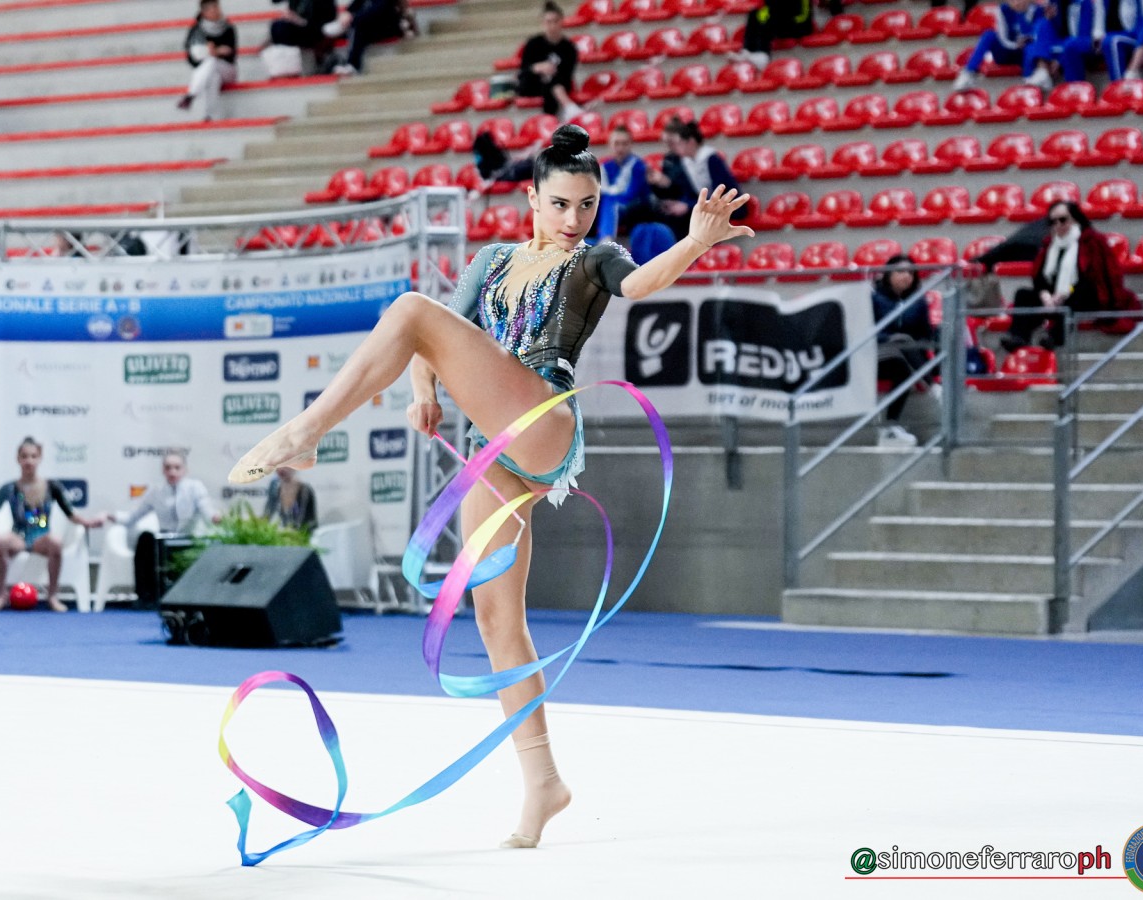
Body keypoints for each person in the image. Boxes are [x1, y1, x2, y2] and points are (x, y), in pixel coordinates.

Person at [227, 124, 754, 850]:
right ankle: (543, 782)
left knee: (410, 309)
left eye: (587, 205)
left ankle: (308, 430)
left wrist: (694, 242)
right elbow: (436, 338)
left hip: (542, 416)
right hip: (492, 445)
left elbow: (638, 284)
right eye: (560, 204)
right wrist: (423, 392)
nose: (574, 219)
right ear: (531, 198)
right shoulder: (493, 261)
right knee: (496, 618)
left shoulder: (595, 258)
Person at [0, 437, 105, 612]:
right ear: (18, 459)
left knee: (55, 542)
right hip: (18, 535)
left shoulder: (52, 487)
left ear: (40, 458)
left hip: (41, 535)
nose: (29, 461)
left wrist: (89, 522)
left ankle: (52, 596)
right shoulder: (8, 488)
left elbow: (71, 515)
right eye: (24, 456)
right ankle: (1, 594)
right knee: (0, 541)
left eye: (33, 456)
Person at [1001, 200, 1141, 351]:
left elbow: (1095, 278)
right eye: (1053, 222)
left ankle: (1054, 336)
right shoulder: (1050, 244)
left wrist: (1065, 293)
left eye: (1063, 220)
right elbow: (1040, 278)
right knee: (1022, 294)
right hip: (1054, 297)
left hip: (1082, 295)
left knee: (1080, 291)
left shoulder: (1092, 241)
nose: (1058, 225)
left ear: (1075, 219)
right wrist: (1045, 295)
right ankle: (1018, 337)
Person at [114, 450, 221, 605]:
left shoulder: (195, 487)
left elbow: (207, 510)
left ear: (185, 470)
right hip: (164, 541)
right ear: (163, 470)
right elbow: (133, 517)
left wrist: (215, 518)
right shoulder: (156, 491)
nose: (172, 472)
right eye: (168, 467)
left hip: (188, 540)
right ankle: (145, 597)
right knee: (145, 539)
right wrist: (110, 516)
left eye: (177, 467)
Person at [617, 120, 745, 241]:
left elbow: (720, 194)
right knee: (647, 212)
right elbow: (686, 193)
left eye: (678, 143)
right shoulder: (686, 161)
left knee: (676, 221)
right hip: (700, 207)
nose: (674, 148)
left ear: (691, 142)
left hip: (723, 208)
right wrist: (674, 198)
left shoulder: (711, 159)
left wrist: (687, 206)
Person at [870, 256, 936, 448]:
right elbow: (867, 332)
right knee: (901, 341)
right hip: (876, 355)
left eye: (910, 272)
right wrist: (890, 338)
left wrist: (914, 342)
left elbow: (926, 335)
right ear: (888, 274)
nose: (906, 276)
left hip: (904, 358)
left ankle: (890, 427)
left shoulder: (918, 302)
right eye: (900, 271)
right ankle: (932, 386)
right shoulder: (874, 298)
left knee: (903, 368)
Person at [953, 0, 1049, 90]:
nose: (1017, 3)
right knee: (989, 35)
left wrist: (1026, 38)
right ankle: (968, 72)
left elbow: (1039, 36)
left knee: (1031, 47)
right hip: (1008, 50)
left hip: (1027, 53)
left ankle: (1030, 77)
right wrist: (1016, 45)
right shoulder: (1003, 10)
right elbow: (1002, 37)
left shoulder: (1038, 10)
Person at [516, 2, 584, 121]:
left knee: (552, 82)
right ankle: (569, 107)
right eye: (548, 22)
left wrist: (551, 71)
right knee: (547, 81)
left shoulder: (569, 47)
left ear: (561, 22)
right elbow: (523, 71)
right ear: (543, 23)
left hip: (557, 84)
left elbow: (567, 74)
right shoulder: (533, 44)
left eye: (555, 21)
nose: (552, 26)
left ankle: (553, 119)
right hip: (533, 84)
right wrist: (537, 67)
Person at [180, 0, 239, 120]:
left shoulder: (228, 28)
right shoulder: (196, 31)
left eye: (217, 8)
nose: (217, 11)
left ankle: (191, 94)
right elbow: (192, 58)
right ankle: (210, 115)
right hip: (208, 71)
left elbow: (231, 54)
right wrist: (213, 52)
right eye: (212, 9)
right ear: (204, 12)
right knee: (213, 77)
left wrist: (213, 52)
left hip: (227, 69)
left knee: (211, 61)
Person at [1025, 0, 1103, 83]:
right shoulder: (1055, 4)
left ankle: (1073, 86)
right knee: (1040, 27)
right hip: (1063, 45)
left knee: (1070, 45)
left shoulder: (1084, 3)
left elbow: (1082, 38)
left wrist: (1059, 59)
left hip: (1086, 47)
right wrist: (1049, 18)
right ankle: (1042, 70)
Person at [729, 0, 815, 70]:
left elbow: (794, 11)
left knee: (767, 17)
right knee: (755, 12)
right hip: (785, 19)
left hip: (801, 24)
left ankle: (763, 55)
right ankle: (747, 50)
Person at [330, 0, 409, 74]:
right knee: (350, 28)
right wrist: (347, 13)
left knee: (358, 27)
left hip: (388, 26)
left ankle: (353, 64)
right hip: (374, 23)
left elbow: (377, 10)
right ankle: (336, 63)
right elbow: (357, 4)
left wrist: (352, 18)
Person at [597, 125, 647, 242]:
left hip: (635, 207)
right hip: (613, 205)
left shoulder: (638, 165)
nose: (620, 148)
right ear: (609, 145)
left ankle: (606, 240)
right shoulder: (605, 166)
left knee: (609, 202)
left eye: (624, 144)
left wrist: (607, 195)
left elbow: (630, 195)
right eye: (616, 144)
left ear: (631, 145)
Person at [268, 0, 342, 70]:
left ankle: (316, 63)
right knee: (277, 27)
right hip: (299, 29)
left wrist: (299, 20)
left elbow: (325, 24)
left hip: (317, 31)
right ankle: (284, 66)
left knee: (280, 28)